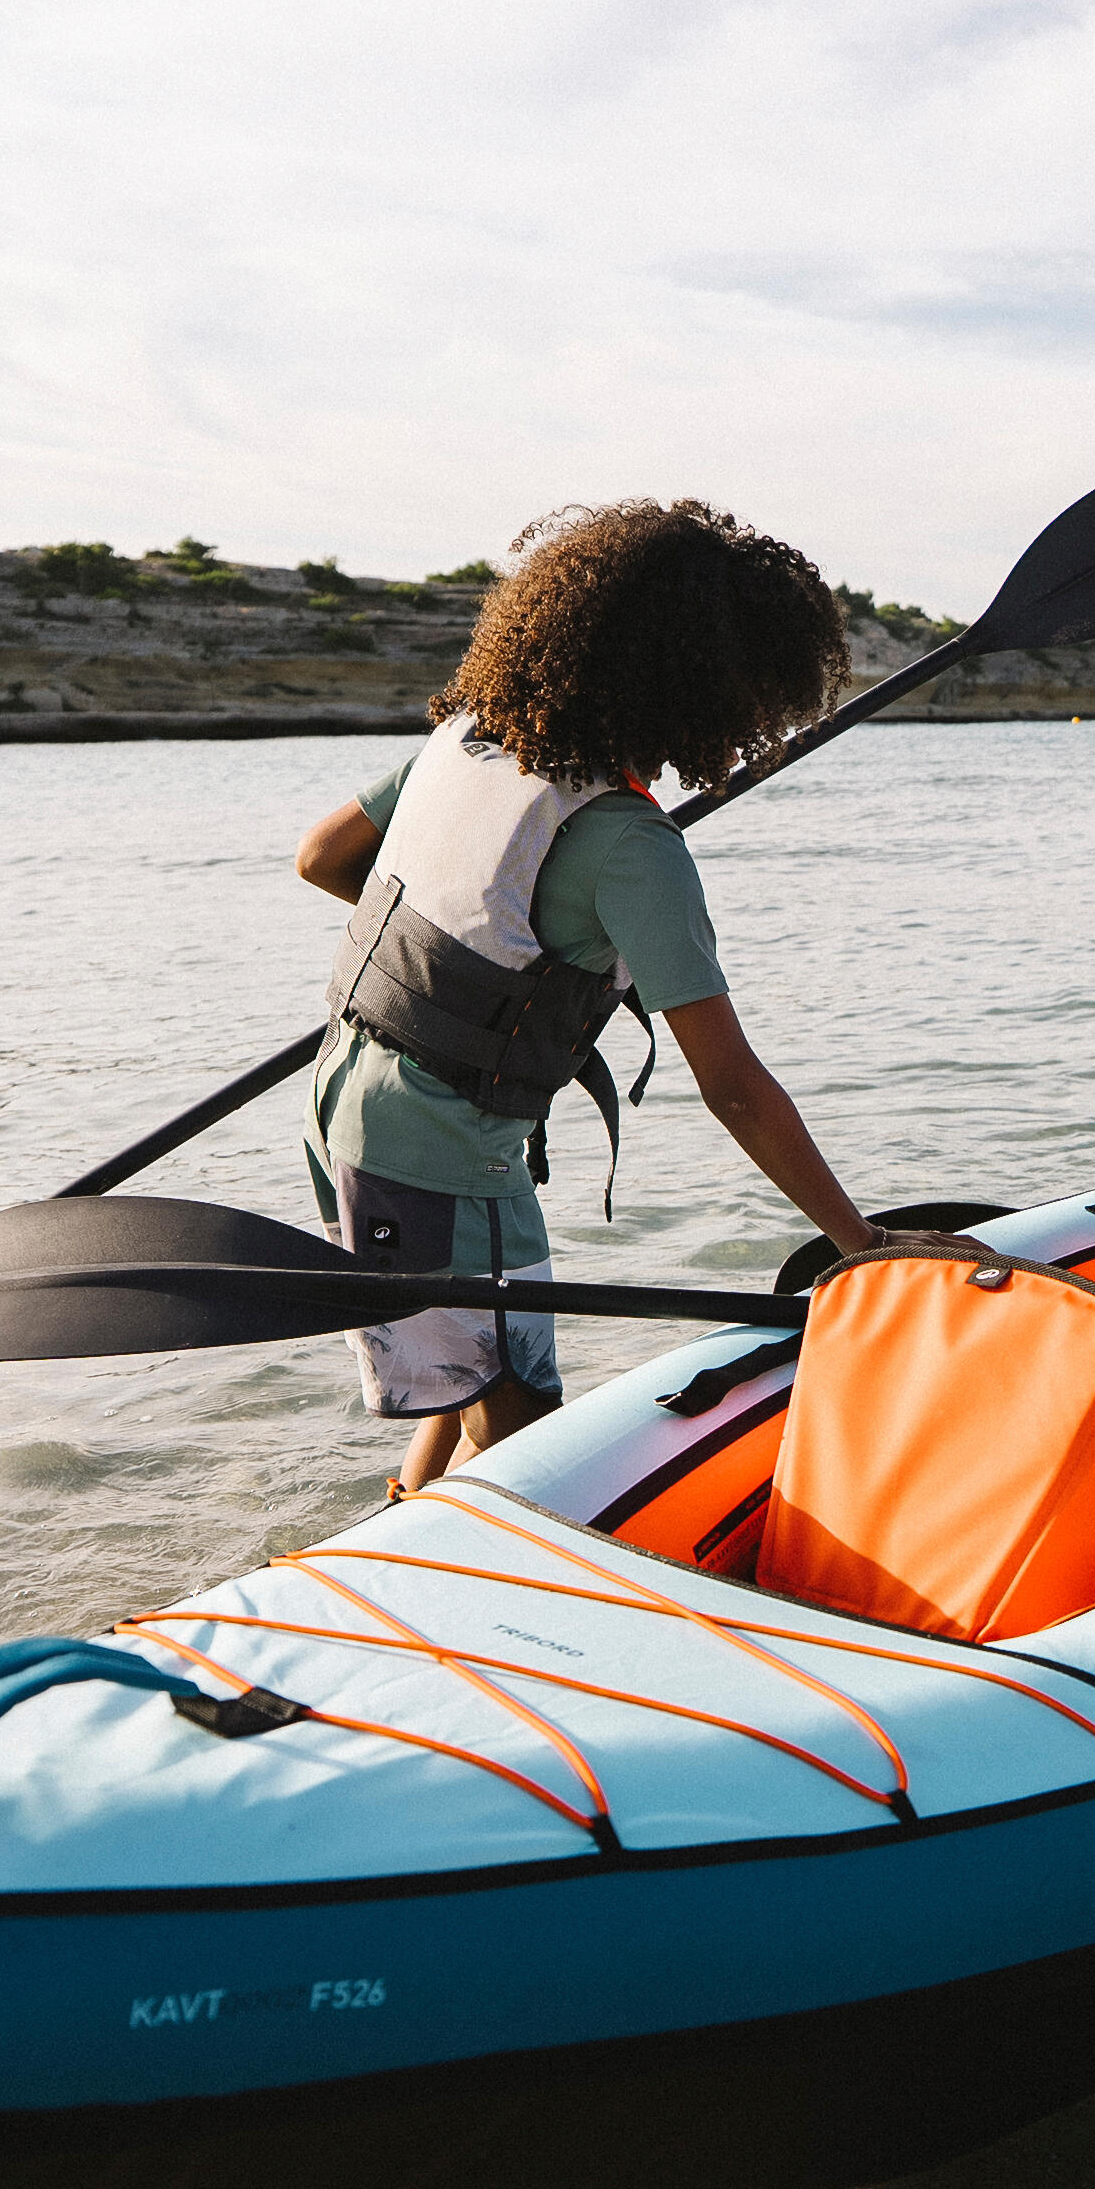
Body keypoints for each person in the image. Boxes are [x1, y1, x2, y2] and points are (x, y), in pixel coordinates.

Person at [295, 498, 882, 1499]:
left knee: (470, 1376)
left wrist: (466, 978)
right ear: (719, 691)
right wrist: (861, 1244)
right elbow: (733, 1086)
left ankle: (399, 1516)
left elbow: (322, 858)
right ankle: (456, 1577)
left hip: (343, 1105)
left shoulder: (469, 738)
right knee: (526, 1446)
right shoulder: (633, 849)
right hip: (444, 1154)